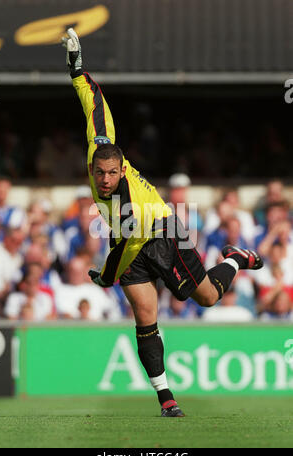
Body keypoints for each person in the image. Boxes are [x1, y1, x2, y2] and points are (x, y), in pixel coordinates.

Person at [62, 29, 264, 417]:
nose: (105, 180)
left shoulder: (126, 205)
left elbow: (122, 248)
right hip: (132, 246)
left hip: (162, 234)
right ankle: (166, 400)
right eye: (100, 174)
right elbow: (95, 107)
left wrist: (106, 276)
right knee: (145, 316)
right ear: (94, 167)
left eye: (111, 174)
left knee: (206, 297)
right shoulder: (99, 149)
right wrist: (77, 73)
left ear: (121, 171)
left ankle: (236, 258)